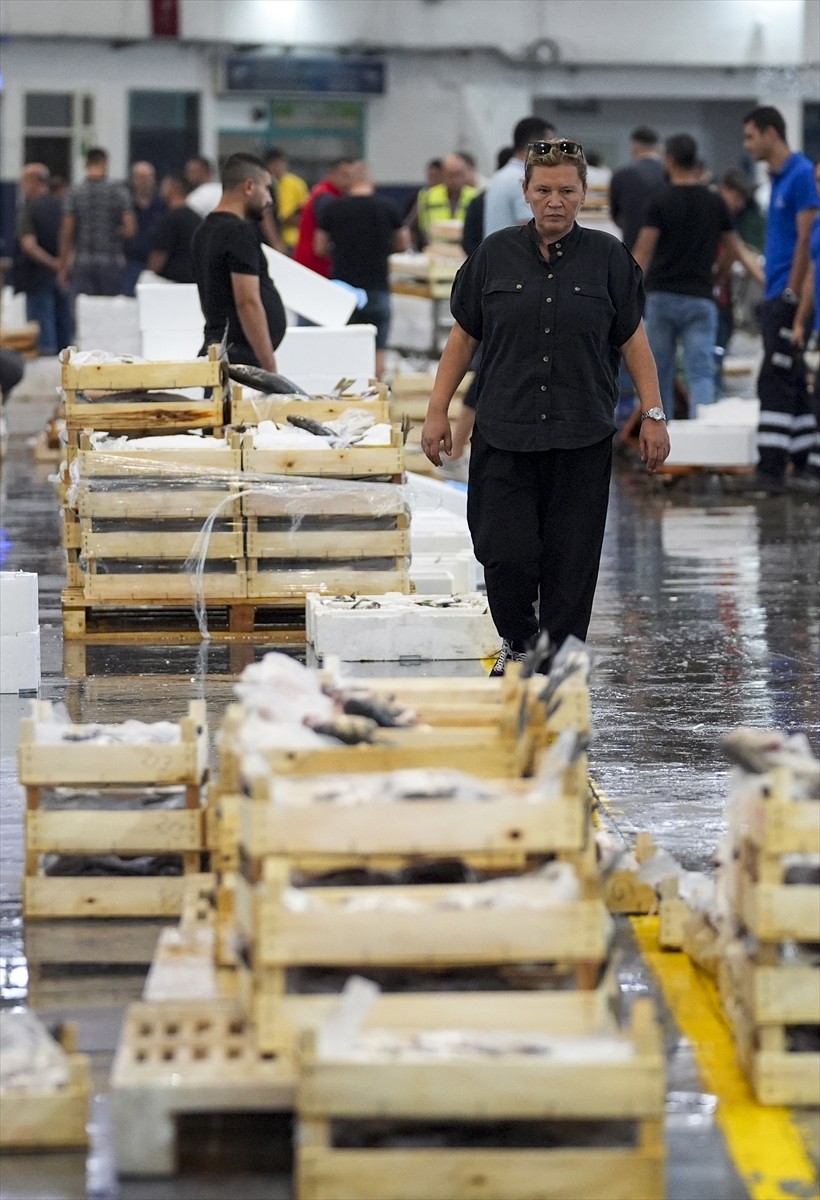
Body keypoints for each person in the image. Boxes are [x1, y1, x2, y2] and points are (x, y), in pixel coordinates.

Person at [420, 138, 670, 676]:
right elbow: (463, 338)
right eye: (543, 190)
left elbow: (635, 342)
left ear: (583, 195)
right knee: (503, 550)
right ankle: (518, 639)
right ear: (526, 192)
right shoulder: (493, 254)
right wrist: (437, 410)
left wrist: (652, 414)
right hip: (504, 431)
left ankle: (556, 661)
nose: (555, 201)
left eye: (566, 191)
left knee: (571, 561)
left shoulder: (609, 258)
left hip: (581, 434)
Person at [632, 133, 756, 419]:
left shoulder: (659, 201)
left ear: (670, 161)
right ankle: (701, 433)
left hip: (661, 295)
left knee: (659, 373)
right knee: (700, 372)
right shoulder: (715, 202)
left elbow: (643, 252)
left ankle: (662, 434)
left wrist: (626, 289)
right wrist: (718, 272)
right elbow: (734, 248)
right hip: (700, 297)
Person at [738, 105, 820, 493]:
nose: (746, 144)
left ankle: (771, 468)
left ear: (771, 133)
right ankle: (801, 461)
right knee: (790, 380)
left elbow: (807, 243)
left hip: (788, 293)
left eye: (751, 136)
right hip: (777, 293)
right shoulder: (780, 179)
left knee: (774, 379)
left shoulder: (801, 175)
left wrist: (792, 294)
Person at [314, 161, 410, 379]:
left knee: (344, 348)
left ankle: (346, 392)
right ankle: (374, 392)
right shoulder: (389, 207)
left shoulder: (333, 208)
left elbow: (319, 248)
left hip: (343, 290)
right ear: (372, 182)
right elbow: (403, 243)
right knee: (378, 347)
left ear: (349, 182)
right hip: (378, 287)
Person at [191, 152, 286, 371]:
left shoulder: (204, 230)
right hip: (240, 359)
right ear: (249, 186)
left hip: (220, 351)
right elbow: (247, 302)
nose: (269, 200)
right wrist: (268, 364)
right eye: (266, 188)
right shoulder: (238, 231)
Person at [58, 147, 136, 296]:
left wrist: (63, 266)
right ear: (105, 163)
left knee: (83, 306)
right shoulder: (119, 191)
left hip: (82, 261)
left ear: (86, 164)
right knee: (108, 306)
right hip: (111, 259)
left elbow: (67, 232)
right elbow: (130, 230)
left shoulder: (74, 192)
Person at [13, 162, 73, 355]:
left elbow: (29, 245)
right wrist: (64, 265)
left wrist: (52, 263)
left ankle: (46, 366)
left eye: (23, 182)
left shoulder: (28, 209)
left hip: (36, 277)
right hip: (64, 276)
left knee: (42, 330)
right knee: (64, 326)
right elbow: (72, 239)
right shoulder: (63, 206)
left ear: (33, 182)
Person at [483, 117, 555, 239]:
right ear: (536, 143)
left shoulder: (499, 175)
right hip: (514, 249)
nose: (554, 152)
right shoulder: (523, 178)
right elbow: (529, 226)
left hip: (496, 247)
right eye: (550, 145)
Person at [293, 159, 354, 277]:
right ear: (332, 174)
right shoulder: (326, 198)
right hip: (315, 264)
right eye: (344, 175)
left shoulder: (324, 192)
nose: (348, 181)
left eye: (350, 176)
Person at [608, 126, 666, 252]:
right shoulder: (670, 173)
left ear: (634, 146)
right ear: (658, 147)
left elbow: (616, 215)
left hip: (633, 243)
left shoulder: (622, 174)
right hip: (666, 245)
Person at [147, 174, 201, 283]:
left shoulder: (169, 218)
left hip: (169, 282)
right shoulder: (197, 218)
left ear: (172, 188)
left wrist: (150, 274)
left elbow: (160, 253)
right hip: (193, 280)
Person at [122, 161, 165, 296]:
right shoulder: (126, 205)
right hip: (130, 261)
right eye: (140, 177)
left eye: (148, 177)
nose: (144, 182)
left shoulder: (162, 205)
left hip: (156, 262)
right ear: (133, 179)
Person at [416, 153, 477, 245]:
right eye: (450, 174)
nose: (454, 179)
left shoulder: (474, 196)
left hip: (466, 247)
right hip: (436, 247)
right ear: (443, 174)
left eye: (458, 174)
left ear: (464, 174)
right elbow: (421, 226)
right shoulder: (428, 196)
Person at [265, 147, 308, 254]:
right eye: (274, 165)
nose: (278, 168)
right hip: (280, 239)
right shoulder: (269, 185)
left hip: (293, 239)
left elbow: (300, 212)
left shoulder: (293, 183)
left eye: (280, 164)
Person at [407, 158, 443, 250]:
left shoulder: (456, 196)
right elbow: (410, 223)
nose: (432, 179)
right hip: (427, 244)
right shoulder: (423, 196)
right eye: (430, 176)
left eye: (435, 176)